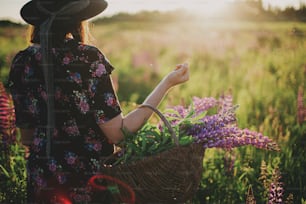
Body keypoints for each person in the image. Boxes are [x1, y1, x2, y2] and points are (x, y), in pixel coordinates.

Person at [8, 0, 189, 203]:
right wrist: (166, 83)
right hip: (88, 184)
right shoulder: (87, 58)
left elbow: (27, 137)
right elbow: (118, 134)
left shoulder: (22, 62)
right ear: (78, 19)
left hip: (42, 183)